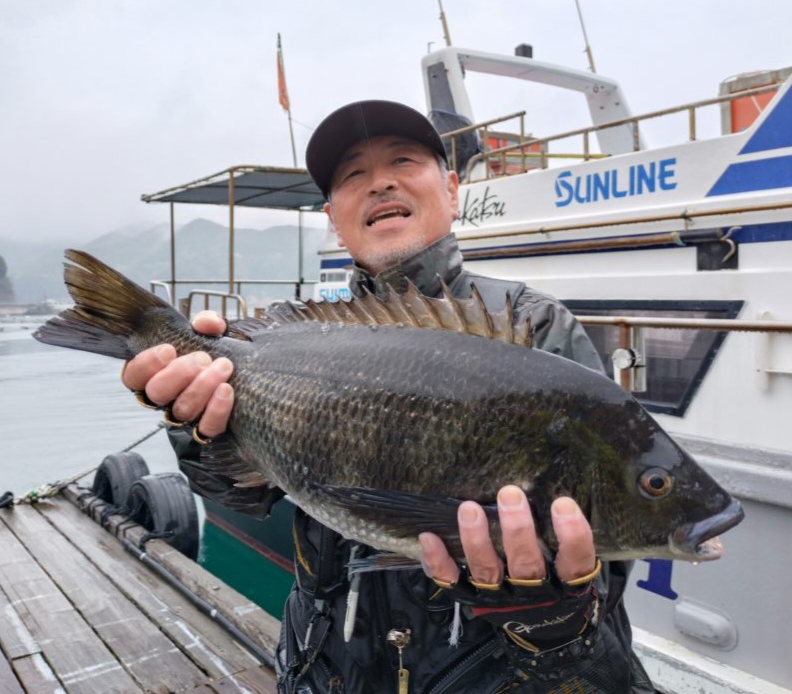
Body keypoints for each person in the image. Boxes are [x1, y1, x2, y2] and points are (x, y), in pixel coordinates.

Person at [123, 100, 655, 693]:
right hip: (327, 670)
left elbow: (606, 562)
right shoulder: (294, 335)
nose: (380, 181)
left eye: (404, 160)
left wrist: (553, 614)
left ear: (452, 191)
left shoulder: (535, 330)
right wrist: (196, 428)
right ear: (334, 216)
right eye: (353, 175)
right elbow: (242, 497)